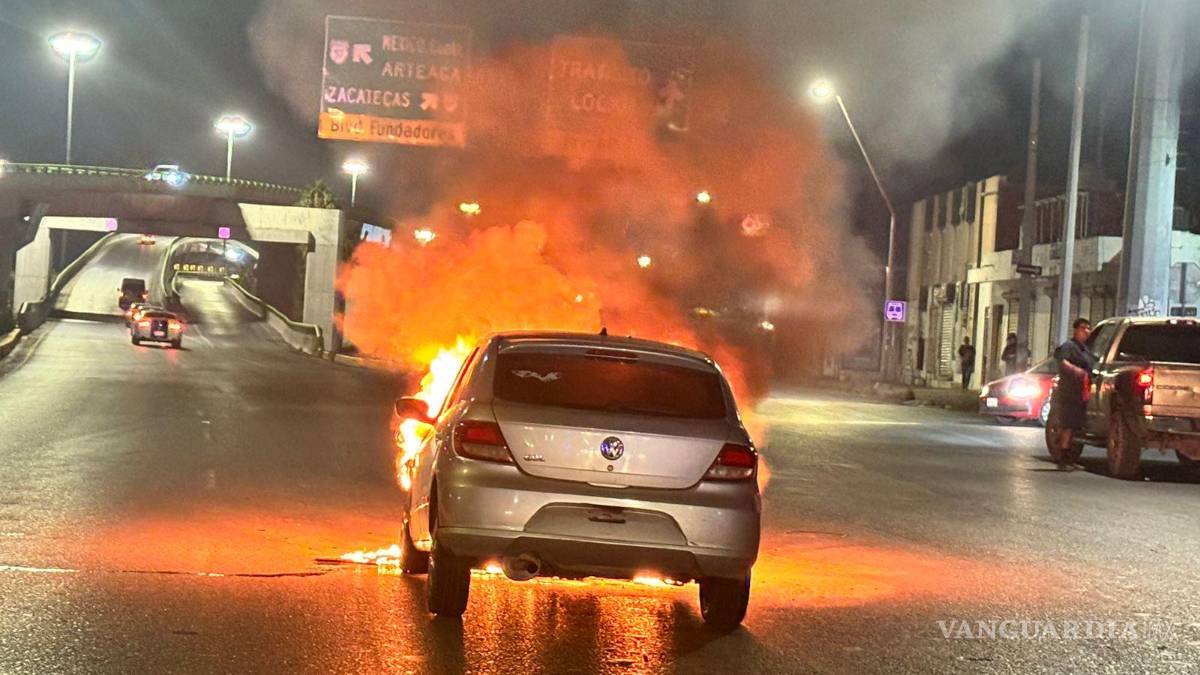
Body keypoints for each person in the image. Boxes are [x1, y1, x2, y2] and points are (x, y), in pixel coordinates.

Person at [1050, 318, 1095, 470]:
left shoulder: (1085, 349)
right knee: (1068, 425)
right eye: (1083, 328)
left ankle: (1070, 457)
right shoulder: (1069, 346)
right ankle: (1062, 459)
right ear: (1075, 330)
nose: (1086, 331)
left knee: (1075, 426)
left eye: (1088, 328)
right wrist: (1077, 371)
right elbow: (1063, 363)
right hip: (1069, 392)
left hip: (1082, 393)